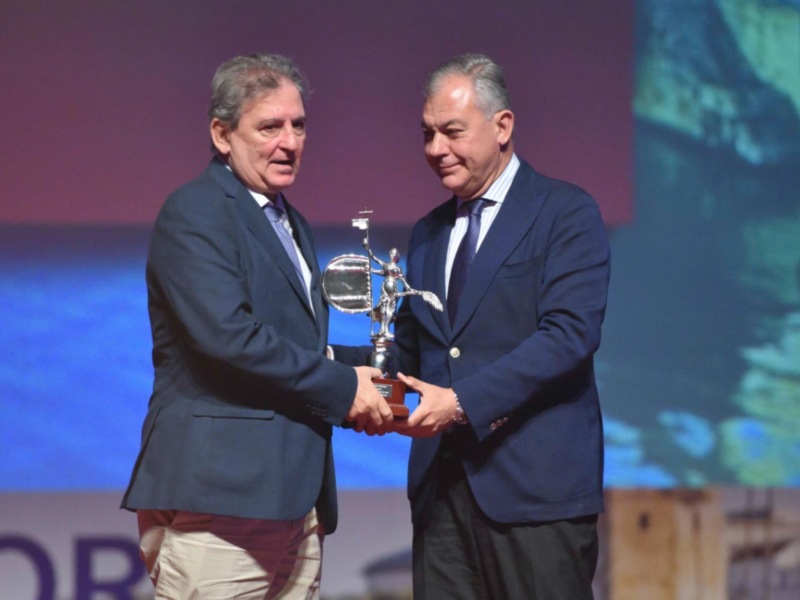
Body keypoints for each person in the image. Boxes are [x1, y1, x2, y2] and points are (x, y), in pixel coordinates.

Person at [120, 53, 392, 598]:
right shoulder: (196, 210)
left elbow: (295, 345)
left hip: (293, 504)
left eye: (298, 125)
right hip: (220, 502)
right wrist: (346, 390)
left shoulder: (290, 222)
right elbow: (230, 339)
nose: (289, 142)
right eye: (269, 127)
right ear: (222, 134)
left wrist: (382, 366)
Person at [392, 53, 611, 599]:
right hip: (441, 499)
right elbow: (406, 353)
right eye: (427, 134)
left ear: (503, 126)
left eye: (452, 132)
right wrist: (325, 365)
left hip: (535, 500)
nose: (436, 149)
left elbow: (568, 336)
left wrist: (462, 402)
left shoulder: (565, 212)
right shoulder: (426, 235)